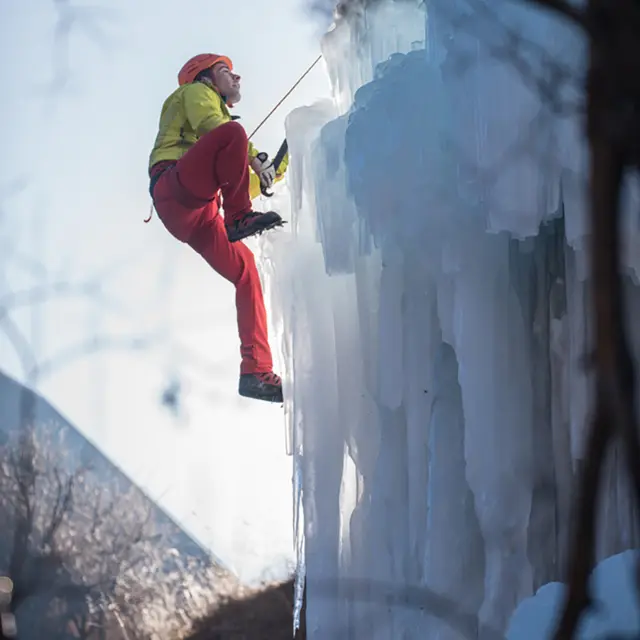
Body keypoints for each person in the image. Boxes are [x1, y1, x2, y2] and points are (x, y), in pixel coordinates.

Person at [148, 53, 288, 403]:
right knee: (233, 133)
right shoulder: (193, 93)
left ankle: (256, 371)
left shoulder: (221, 127)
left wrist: (272, 172)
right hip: (174, 186)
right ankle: (239, 218)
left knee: (247, 273)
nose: (236, 76)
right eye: (227, 71)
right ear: (207, 78)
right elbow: (215, 127)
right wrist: (254, 159)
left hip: (199, 212)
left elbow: (233, 180)